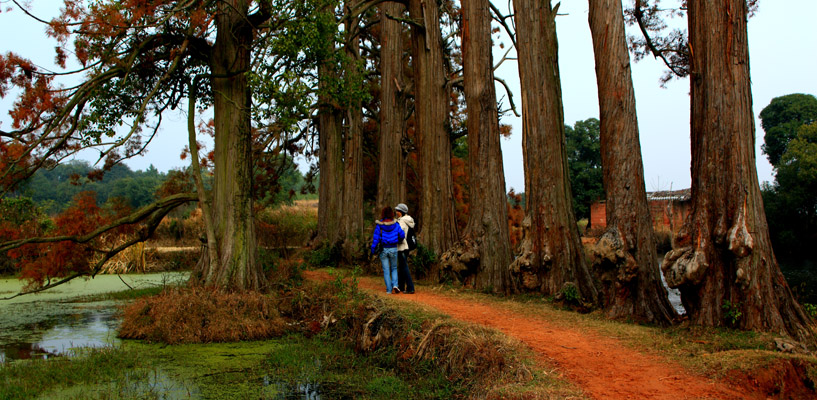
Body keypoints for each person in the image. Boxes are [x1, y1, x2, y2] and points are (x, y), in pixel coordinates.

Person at [371, 206, 405, 294]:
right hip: (393, 248)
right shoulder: (396, 224)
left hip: (383, 249)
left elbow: (376, 238)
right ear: (391, 214)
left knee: (386, 270)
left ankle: (389, 290)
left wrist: (373, 249)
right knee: (394, 268)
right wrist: (397, 240)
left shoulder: (380, 225)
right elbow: (402, 235)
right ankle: (395, 285)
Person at [394, 203, 416, 294]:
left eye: (398, 211)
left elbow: (400, 234)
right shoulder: (408, 220)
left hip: (402, 246)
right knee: (402, 267)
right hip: (406, 247)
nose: (396, 212)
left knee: (404, 267)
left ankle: (410, 287)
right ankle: (401, 286)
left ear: (401, 212)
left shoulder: (402, 221)